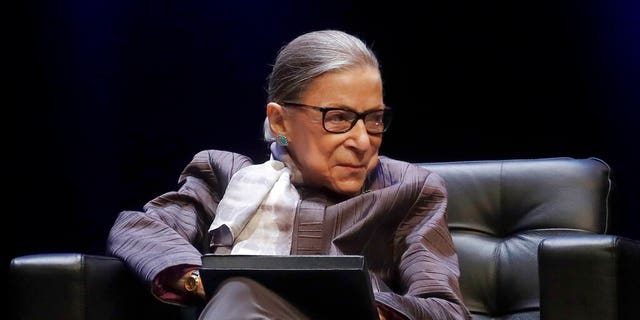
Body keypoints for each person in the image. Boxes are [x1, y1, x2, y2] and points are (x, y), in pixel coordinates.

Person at [107, 29, 471, 320]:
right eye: (339, 118)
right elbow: (137, 230)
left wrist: (358, 303)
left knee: (240, 290)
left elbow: (446, 310)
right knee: (238, 291)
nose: (362, 141)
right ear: (281, 121)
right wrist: (199, 280)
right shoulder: (224, 176)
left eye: (374, 119)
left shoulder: (408, 189)